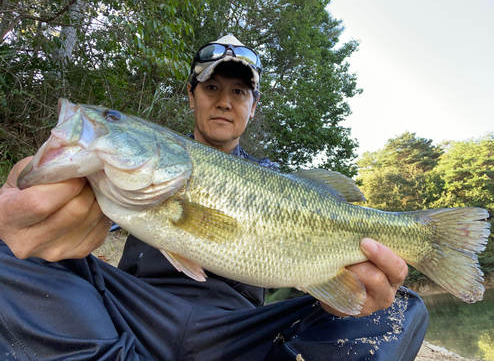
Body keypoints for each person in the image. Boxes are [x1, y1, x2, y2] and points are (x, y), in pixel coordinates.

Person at [0, 35, 429, 360]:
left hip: (240, 328)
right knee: (9, 255)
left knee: (400, 308)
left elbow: (333, 279)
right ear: (191, 95)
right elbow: (48, 211)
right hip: (132, 311)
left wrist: (349, 296)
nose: (224, 102)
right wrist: (28, 206)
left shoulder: (277, 180)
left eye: (239, 92)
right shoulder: (111, 181)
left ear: (253, 106)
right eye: (211, 89)